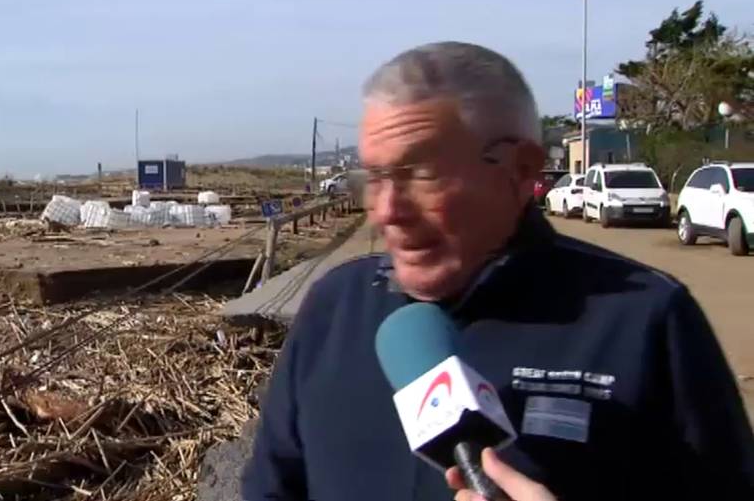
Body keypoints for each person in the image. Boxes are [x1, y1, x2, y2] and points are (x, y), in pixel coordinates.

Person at [241, 42, 754, 500]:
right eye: (375, 177)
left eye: (422, 173)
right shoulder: (337, 305)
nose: (387, 210)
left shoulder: (647, 318)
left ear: (521, 170)